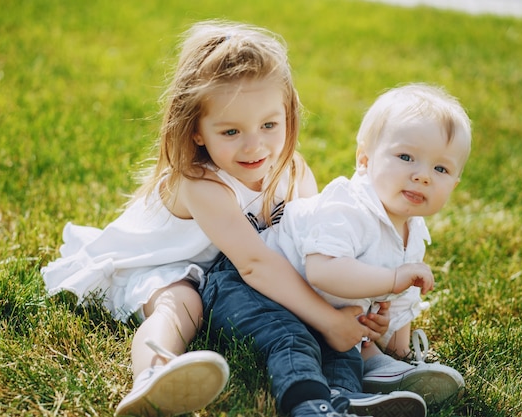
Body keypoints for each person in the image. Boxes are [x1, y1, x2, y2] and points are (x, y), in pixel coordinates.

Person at [41, 20, 412, 417]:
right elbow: (255, 264)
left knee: (307, 298)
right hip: (162, 268)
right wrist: (328, 320)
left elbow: (313, 251)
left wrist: (356, 313)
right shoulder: (200, 183)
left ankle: (366, 365)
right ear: (197, 131)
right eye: (231, 131)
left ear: (288, 114)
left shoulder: (293, 170)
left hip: (231, 275)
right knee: (182, 304)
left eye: (269, 125)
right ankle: (153, 375)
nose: (255, 145)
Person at [260, 83, 471, 406]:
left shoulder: (413, 231)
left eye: (440, 168)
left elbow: (400, 300)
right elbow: (323, 271)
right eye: (406, 157)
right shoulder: (346, 206)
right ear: (365, 159)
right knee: (299, 342)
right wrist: (392, 280)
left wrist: (392, 341)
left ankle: (369, 382)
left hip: (327, 308)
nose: (423, 176)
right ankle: (327, 394)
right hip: (266, 291)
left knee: (347, 345)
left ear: (454, 183)